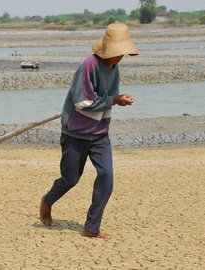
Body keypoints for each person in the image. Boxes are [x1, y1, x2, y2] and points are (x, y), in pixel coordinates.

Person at [39, 23, 139, 239]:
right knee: (70, 179)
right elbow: (82, 101)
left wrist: (117, 99)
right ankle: (47, 202)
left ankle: (91, 228)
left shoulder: (114, 67)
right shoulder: (89, 65)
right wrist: (114, 100)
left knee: (106, 175)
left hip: (100, 133)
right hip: (76, 132)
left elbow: (108, 97)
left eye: (122, 54)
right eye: (117, 53)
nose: (120, 58)